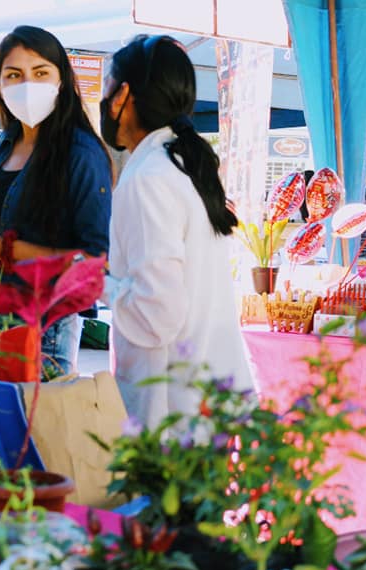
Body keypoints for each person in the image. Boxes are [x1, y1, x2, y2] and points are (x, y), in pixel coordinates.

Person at [0, 25, 112, 376]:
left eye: (40, 72)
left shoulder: (81, 154)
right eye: (14, 75)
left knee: (27, 427)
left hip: (40, 330)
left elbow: (93, 263)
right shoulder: (1, 145)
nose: (28, 84)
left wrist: (7, 250)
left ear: (61, 80)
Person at [98, 34, 252, 427]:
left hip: (173, 413)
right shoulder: (180, 166)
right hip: (203, 397)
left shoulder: (149, 177)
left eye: (106, 86)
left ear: (122, 96)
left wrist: (97, 280)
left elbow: (156, 314)